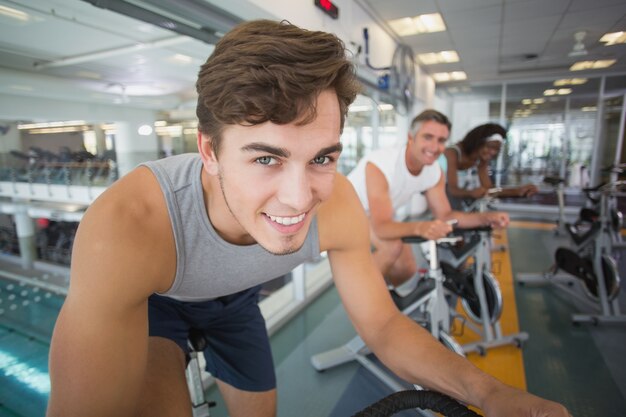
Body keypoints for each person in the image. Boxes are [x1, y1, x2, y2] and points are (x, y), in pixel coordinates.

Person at [46, 20, 570, 417]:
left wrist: (492, 394)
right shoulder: (128, 224)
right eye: (266, 158)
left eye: (321, 157)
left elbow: (384, 326)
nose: (299, 200)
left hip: (236, 307)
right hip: (158, 305)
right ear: (208, 152)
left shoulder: (337, 202)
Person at [348, 110, 510, 288]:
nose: (434, 147)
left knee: (406, 268)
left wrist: (485, 218)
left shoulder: (433, 172)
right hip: (346, 209)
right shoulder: (381, 165)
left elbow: (446, 215)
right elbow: (381, 228)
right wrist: (420, 227)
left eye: (441, 140)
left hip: (372, 212)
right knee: (391, 248)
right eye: (428, 137)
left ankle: (379, 293)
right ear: (411, 137)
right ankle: (360, 299)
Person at [444, 123, 538, 203]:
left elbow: (488, 188)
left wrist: (516, 191)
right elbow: (453, 190)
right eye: (490, 147)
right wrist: (471, 193)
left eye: (497, 149)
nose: (493, 152)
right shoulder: (452, 153)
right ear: (478, 142)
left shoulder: (481, 159)